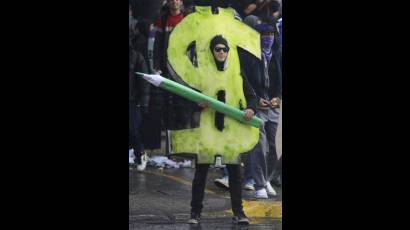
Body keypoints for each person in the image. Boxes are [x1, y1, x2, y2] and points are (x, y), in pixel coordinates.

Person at [188, 35, 257, 225]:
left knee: (235, 173)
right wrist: (197, 104)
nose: (221, 52)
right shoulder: (202, 74)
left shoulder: (236, 73)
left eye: (224, 49)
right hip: (207, 130)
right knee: (201, 173)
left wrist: (251, 109)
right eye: (217, 49)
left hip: (230, 132)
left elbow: (251, 96)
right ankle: (195, 213)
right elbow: (187, 98)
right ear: (212, 51)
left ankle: (239, 213)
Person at [240, 22, 282, 198]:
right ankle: (259, 184)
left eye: (271, 35)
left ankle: (266, 179)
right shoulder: (249, 56)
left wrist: (278, 97)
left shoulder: (277, 55)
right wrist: (256, 100)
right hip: (256, 106)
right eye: (265, 35)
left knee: (274, 146)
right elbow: (245, 80)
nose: (268, 39)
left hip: (273, 107)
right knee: (259, 145)